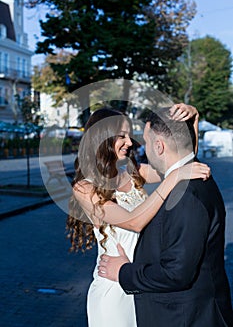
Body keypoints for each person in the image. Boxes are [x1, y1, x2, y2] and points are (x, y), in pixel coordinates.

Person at [66, 104, 210, 327]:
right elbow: (132, 221)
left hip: (141, 280)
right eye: (122, 136)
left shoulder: (133, 172)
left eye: (130, 135)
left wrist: (193, 122)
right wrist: (173, 180)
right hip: (113, 288)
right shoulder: (84, 188)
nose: (130, 142)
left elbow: (179, 163)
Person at [98, 106, 233, 327]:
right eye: (122, 136)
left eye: (146, 142)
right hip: (128, 291)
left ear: (159, 146)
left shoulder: (187, 192)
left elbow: (176, 273)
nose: (135, 145)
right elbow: (180, 159)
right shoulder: (188, 177)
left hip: (182, 314)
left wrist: (123, 272)